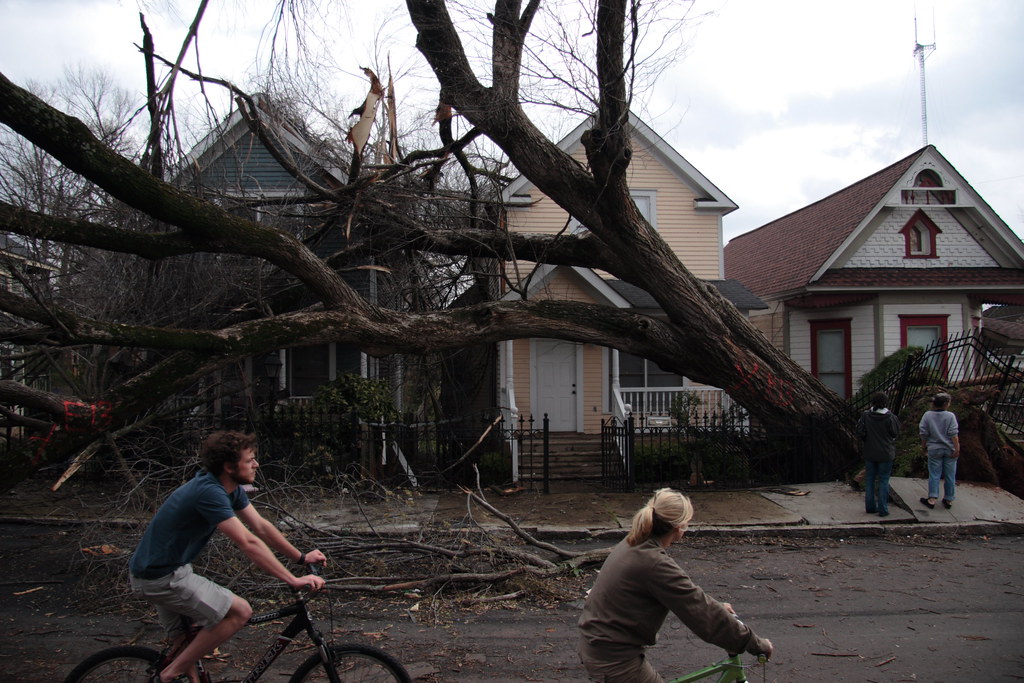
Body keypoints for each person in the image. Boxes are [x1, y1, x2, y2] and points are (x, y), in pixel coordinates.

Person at [129, 431, 327, 683]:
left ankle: (178, 674)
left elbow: (261, 526)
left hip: (167, 571)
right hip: (161, 578)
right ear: (229, 467)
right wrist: (293, 579)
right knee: (240, 612)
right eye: (250, 460)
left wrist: (301, 557)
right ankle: (168, 675)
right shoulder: (208, 492)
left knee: (187, 646)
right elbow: (248, 542)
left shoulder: (228, 488)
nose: (256, 464)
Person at [577, 488, 772, 683]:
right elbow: (700, 610)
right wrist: (755, 643)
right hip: (614, 660)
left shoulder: (635, 542)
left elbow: (689, 598)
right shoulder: (654, 563)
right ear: (679, 527)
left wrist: (719, 608)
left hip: (597, 645)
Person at [856, 392, 901, 517]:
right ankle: (883, 509)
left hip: (870, 452)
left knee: (870, 479)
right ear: (886, 402)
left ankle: (870, 506)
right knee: (883, 480)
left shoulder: (866, 415)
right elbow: (895, 433)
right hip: (886, 453)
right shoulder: (890, 417)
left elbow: (860, 432)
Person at [918, 392, 960, 510]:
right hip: (949, 449)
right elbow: (953, 434)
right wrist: (957, 448)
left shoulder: (927, 415)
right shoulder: (950, 416)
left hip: (934, 448)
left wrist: (924, 446)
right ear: (946, 404)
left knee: (934, 474)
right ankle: (949, 499)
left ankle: (932, 499)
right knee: (950, 475)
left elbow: (923, 433)